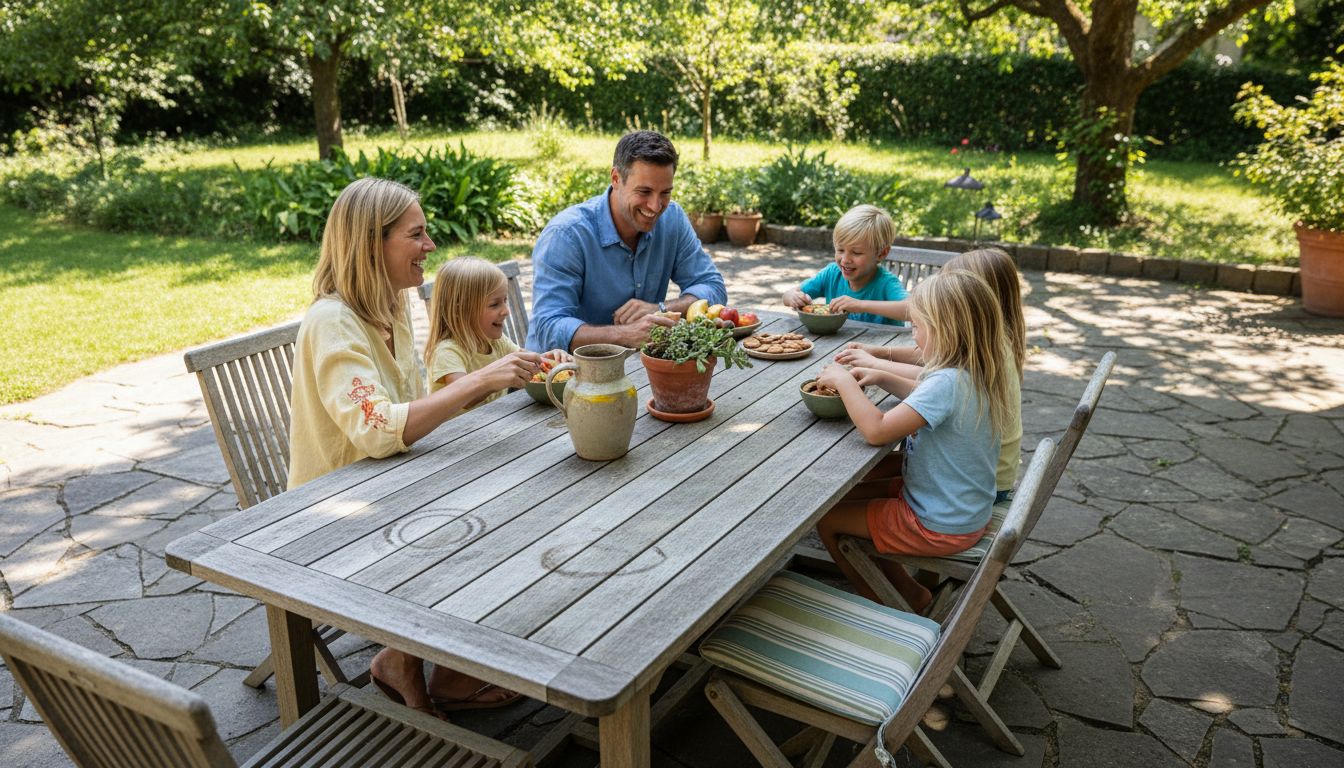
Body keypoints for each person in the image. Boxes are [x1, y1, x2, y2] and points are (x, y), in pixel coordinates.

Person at [288, 177, 536, 718]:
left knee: (524, 497)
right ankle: (423, 663)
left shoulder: (392, 307)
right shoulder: (333, 321)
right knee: (493, 522)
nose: (430, 247)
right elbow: (377, 427)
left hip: (390, 487)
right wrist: (480, 380)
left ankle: (427, 662)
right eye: (416, 235)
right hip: (334, 517)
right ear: (371, 244)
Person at [814, 269, 1015, 614]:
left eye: (919, 327)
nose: (913, 334)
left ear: (947, 332)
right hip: (958, 504)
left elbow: (876, 430)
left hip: (938, 522)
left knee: (827, 521)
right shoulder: (977, 369)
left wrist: (843, 382)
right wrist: (882, 376)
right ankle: (909, 591)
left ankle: (886, 604)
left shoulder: (947, 382)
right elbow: (926, 401)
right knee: (836, 500)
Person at [836, 247, 1025, 500]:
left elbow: (880, 428)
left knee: (846, 489)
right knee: (859, 477)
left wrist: (855, 374)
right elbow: (935, 375)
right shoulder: (993, 343)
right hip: (976, 472)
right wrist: (880, 362)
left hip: (975, 483)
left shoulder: (965, 371)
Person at [527, 130, 728, 352]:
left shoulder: (673, 219)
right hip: (559, 377)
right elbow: (549, 329)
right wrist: (626, 335)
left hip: (634, 369)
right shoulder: (566, 235)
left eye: (665, 193)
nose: (655, 206)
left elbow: (713, 287)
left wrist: (660, 309)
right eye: (644, 191)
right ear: (616, 178)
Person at [425, 257, 571, 408]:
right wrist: (493, 380)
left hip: (493, 423)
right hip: (458, 430)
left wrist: (552, 362)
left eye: (505, 300)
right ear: (459, 310)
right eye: (494, 304)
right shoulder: (447, 352)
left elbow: (530, 363)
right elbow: (462, 398)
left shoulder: (495, 341)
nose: (506, 311)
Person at [782, 204, 908, 326]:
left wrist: (860, 305)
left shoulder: (886, 283)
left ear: (881, 254)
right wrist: (792, 297)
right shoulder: (832, 274)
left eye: (857, 253)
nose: (845, 260)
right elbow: (789, 295)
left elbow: (914, 310)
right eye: (840, 250)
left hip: (880, 346)